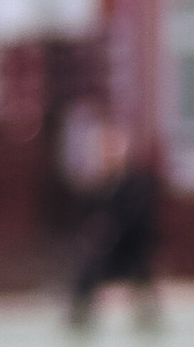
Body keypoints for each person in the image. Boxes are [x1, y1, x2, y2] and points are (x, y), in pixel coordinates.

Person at [66, 131, 164, 336]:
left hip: (130, 246)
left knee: (140, 268)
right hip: (109, 250)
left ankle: (147, 316)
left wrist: (113, 229)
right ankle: (80, 316)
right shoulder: (101, 185)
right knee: (88, 267)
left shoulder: (135, 184)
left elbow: (138, 219)